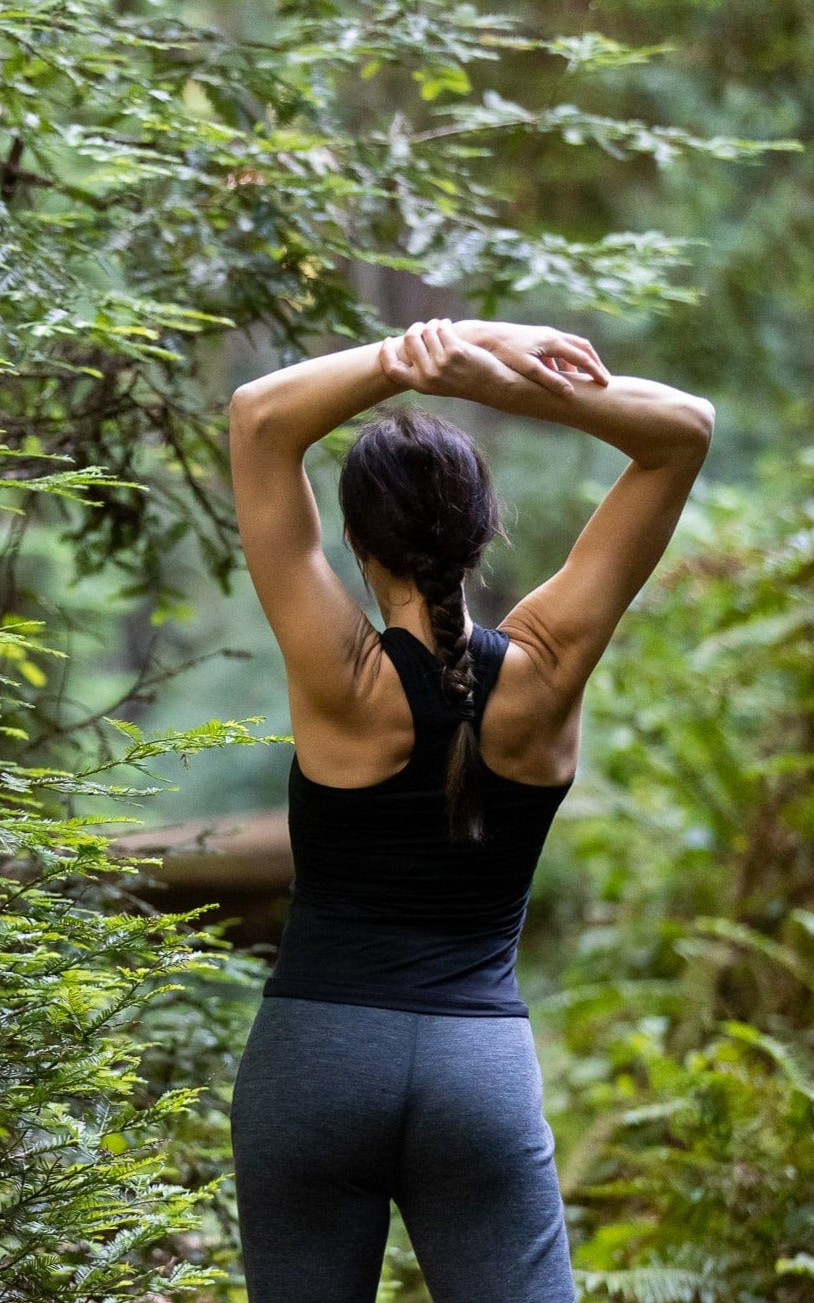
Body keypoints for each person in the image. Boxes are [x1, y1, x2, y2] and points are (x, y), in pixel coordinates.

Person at [225, 319, 714, 1303]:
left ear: (357, 542)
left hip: (316, 1057)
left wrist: (417, 354)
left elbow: (258, 419)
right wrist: (505, 373)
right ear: (483, 527)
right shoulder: (543, 674)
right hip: (474, 1067)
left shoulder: (342, 676)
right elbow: (683, 428)